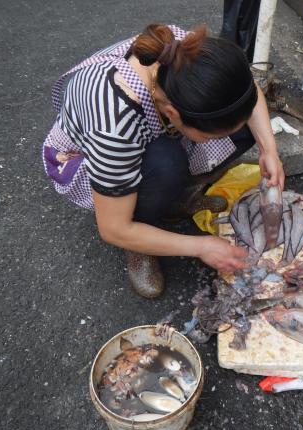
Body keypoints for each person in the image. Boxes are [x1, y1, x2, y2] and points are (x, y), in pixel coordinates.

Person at [42, 23, 284, 299]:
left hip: (151, 133)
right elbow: (112, 228)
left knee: (242, 126)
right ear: (172, 112)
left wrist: (269, 150)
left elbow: (247, 91)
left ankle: (171, 198)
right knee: (166, 162)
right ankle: (140, 235)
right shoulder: (115, 128)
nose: (215, 140)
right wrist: (201, 246)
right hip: (89, 162)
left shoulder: (185, 51)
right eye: (207, 135)